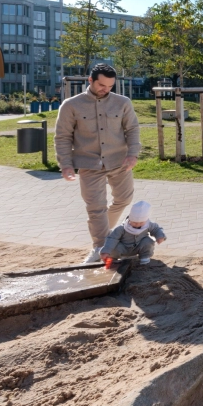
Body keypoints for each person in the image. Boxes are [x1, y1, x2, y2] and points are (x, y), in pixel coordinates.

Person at [55, 63, 141, 263]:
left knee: (124, 199)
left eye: (110, 86)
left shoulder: (123, 103)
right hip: (89, 163)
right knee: (96, 207)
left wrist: (133, 154)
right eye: (102, 85)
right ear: (90, 80)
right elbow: (63, 137)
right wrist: (66, 165)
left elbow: (132, 129)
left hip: (119, 161)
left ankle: (107, 234)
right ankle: (100, 247)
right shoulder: (71, 105)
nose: (106, 89)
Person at [100, 201, 166, 265]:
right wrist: (106, 251)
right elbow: (112, 239)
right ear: (130, 219)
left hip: (139, 247)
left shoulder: (148, 225)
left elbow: (156, 229)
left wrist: (160, 236)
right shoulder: (122, 228)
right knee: (113, 245)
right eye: (134, 222)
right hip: (123, 248)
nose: (137, 224)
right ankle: (113, 258)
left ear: (145, 220)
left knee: (148, 241)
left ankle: (144, 256)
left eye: (141, 222)